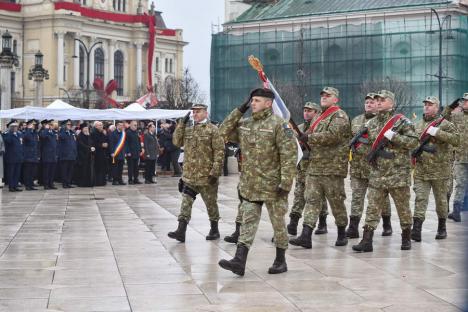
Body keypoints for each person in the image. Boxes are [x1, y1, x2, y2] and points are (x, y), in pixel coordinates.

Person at [218, 88, 297, 276]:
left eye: (256, 100)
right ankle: (239, 260)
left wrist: (285, 183)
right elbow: (223, 131)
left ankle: (280, 260)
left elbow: (289, 156)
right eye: (251, 100)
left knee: (278, 224)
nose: (252, 103)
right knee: (248, 222)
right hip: (250, 184)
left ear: (268, 103)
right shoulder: (246, 123)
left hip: (273, 185)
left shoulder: (279, 125)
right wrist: (240, 109)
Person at [353, 90, 418, 252]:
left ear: (392, 103)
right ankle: (366, 240)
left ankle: (406, 237)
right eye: (377, 100)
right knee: (372, 207)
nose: (379, 102)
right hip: (377, 173)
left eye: (383, 99)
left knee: (403, 207)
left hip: (398, 174)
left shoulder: (402, 122)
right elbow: (367, 145)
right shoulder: (372, 123)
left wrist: (394, 137)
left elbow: (414, 142)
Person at [290, 87, 351, 249]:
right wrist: (299, 137)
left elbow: (333, 136)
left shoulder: (339, 115)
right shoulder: (319, 117)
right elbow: (307, 135)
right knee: (311, 201)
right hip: (315, 167)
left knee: (336, 201)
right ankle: (306, 235)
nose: (324, 97)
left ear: (335, 99)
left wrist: (309, 137)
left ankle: (341, 233)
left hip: (332, 168)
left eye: (328, 96)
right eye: (322, 95)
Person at [168, 104, 225, 243]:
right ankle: (181, 230)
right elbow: (176, 142)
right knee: (185, 203)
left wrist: (215, 172)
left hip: (207, 177)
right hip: (190, 176)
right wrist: (181, 124)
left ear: (206, 113)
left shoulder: (213, 130)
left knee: (211, 204)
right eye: (193, 112)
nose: (195, 114)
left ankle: (214, 229)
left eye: (198, 112)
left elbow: (219, 151)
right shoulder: (188, 129)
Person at [411, 96, 459, 241]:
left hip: (440, 171)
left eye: (430, 105)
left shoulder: (444, 124)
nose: (426, 106)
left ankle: (441, 228)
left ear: (437, 108)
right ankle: (416, 230)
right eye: (425, 104)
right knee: (420, 199)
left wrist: (437, 132)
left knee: (441, 202)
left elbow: (456, 139)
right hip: (421, 170)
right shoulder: (417, 124)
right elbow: (412, 142)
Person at [347, 93, 393, 238]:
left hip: (376, 167)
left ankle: (387, 224)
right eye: (367, 102)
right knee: (357, 196)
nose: (369, 104)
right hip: (357, 167)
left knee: (381, 198)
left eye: (372, 102)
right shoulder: (356, 120)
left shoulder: (382, 121)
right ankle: (353, 227)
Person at [287, 101, 329, 236]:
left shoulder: (319, 128)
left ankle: (322, 223)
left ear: (317, 113)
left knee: (318, 197)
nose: (306, 113)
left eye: (310, 110)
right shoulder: (298, 127)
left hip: (316, 168)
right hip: (301, 169)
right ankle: (293, 223)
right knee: (299, 195)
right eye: (305, 110)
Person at [445, 93, 468, 222]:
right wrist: (450, 107)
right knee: (460, 184)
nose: (464, 103)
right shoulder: (457, 116)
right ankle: (456, 211)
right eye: (463, 101)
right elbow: (443, 118)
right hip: (460, 158)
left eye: (466, 101)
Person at [3, 120, 24, 192]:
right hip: (11, 157)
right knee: (11, 173)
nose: (16, 128)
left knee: (17, 173)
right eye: (14, 127)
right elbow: (8, 141)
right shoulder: (7, 134)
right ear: (11, 128)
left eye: (16, 127)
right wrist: (11, 133)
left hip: (18, 157)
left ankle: (15, 186)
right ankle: (11, 187)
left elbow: (21, 145)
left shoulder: (19, 134)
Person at [58, 119, 77, 188]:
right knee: (64, 170)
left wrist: (75, 153)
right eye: (68, 124)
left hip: (72, 155)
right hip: (65, 155)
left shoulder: (72, 132)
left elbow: (74, 143)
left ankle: (68, 183)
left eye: (70, 124)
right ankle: (64, 183)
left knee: (70, 170)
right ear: (64, 125)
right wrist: (64, 130)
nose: (70, 126)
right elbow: (62, 137)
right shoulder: (62, 132)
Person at [21, 119, 40, 191]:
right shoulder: (26, 132)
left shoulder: (34, 133)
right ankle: (27, 186)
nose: (34, 126)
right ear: (29, 125)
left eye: (35, 125)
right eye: (33, 124)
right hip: (28, 156)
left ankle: (31, 185)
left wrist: (38, 155)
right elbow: (25, 137)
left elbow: (36, 145)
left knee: (32, 172)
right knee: (27, 172)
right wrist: (28, 129)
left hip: (34, 155)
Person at [39, 120, 58, 189]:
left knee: (52, 171)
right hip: (47, 155)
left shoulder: (53, 132)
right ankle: (46, 184)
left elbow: (56, 143)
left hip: (53, 155)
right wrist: (46, 129)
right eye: (51, 125)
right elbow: (42, 136)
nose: (52, 126)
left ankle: (51, 183)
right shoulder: (44, 132)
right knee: (46, 171)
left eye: (53, 125)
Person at [76, 123, 95, 187]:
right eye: (85, 128)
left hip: (89, 155)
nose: (86, 130)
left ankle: (89, 183)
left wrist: (92, 147)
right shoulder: (79, 136)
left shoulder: (89, 135)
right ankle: (82, 183)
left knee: (89, 170)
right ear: (82, 129)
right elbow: (81, 145)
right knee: (83, 170)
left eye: (87, 128)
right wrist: (90, 148)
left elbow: (92, 143)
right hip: (82, 156)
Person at [90, 121, 109, 186]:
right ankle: (97, 182)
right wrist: (101, 145)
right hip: (97, 154)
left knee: (103, 168)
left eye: (102, 125)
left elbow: (105, 140)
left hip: (103, 153)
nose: (101, 126)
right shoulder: (93, 133)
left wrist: (106, 144)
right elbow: (93, 143)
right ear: (96, 126)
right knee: (98, 168)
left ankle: (102, 181)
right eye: (100, 125)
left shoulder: (102, 133)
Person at [109, 121, 127, 185]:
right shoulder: (113, 133)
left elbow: (124, 144)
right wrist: (112, 152)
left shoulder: (123, 134)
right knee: (115, 168)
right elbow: (111, 143)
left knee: (120, 168)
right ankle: (115, 180)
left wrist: (125, 152)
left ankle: (120, 180)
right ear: (117, 126)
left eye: (122, 125)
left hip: (122, 153)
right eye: (121, 125)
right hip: (115, 153)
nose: (122, 127)